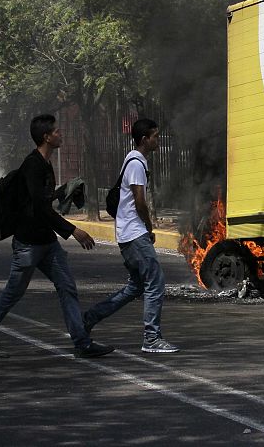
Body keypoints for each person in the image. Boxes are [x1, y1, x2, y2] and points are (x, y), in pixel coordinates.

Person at [0, 114, 114, 359]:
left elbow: (40, 200)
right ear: (46, 137)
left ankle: (81, 342)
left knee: (67, 287)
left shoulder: (46, 164)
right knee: (13, 292)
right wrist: (74, 231)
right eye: (57, 131)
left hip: (46, 242)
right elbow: (39, 208)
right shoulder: (33, 165)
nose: (61, 134)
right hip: (28, 244)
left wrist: (64, 191)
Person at [82, 119, 179, 353]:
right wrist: (149, 227)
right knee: (155, 283)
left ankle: (89, 318)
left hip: (127, 234)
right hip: (135, 234)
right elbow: (139, 201)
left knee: (135, 287)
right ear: (144, 139)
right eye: (155, 136)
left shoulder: (132, 159)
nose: (157, 140)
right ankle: (152, 338)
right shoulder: (136, 163)